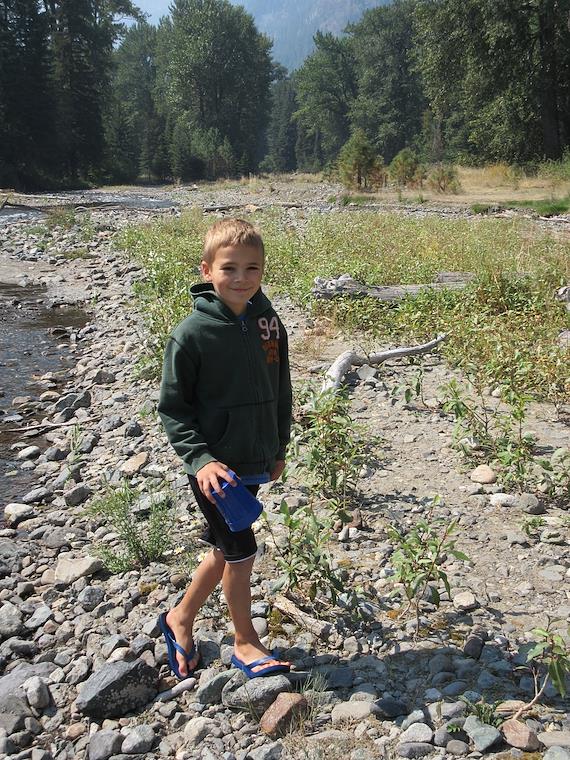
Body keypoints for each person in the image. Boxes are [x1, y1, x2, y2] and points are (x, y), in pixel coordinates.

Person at [157, 218, 292, 680]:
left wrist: (278, 446)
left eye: (252, 268)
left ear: (262, 270)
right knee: (241, 549)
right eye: (229, 268)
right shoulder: (192, 334)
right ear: (207, 270)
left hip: (255, 459)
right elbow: (174, 409)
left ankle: (179, 618)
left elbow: (281, 389)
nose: (241, 278)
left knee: (223, 545)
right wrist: (200, 460)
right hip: (214, 469)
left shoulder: (269, 325)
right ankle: (245, 642)